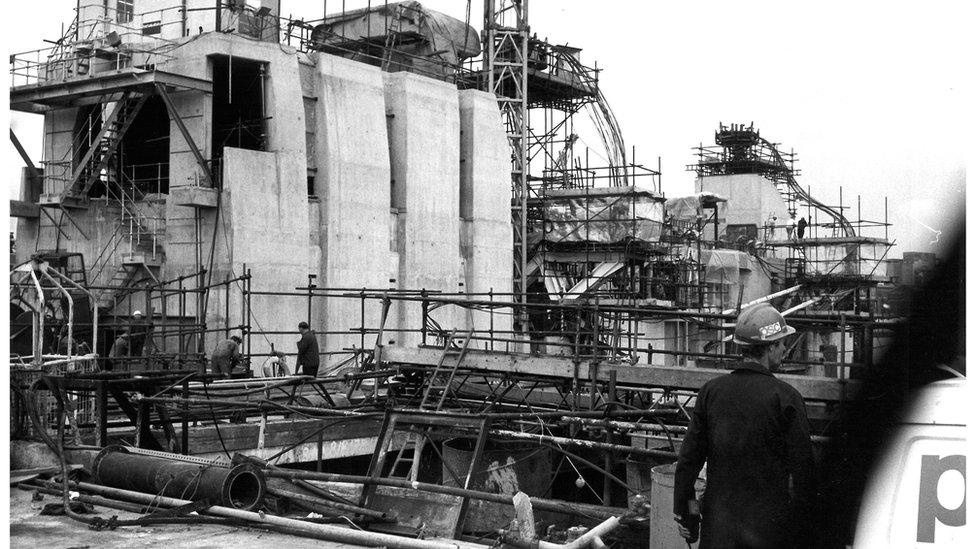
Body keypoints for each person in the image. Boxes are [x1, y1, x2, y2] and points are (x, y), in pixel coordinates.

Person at [673, 303, 815, 548]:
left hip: (719, 532)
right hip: (768, 532)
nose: (784, 349)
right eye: (781, 343)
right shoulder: (786, 398)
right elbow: (804, 473)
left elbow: (688, 462)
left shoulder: (711, 392)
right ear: (770, 347)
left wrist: (689, 515)